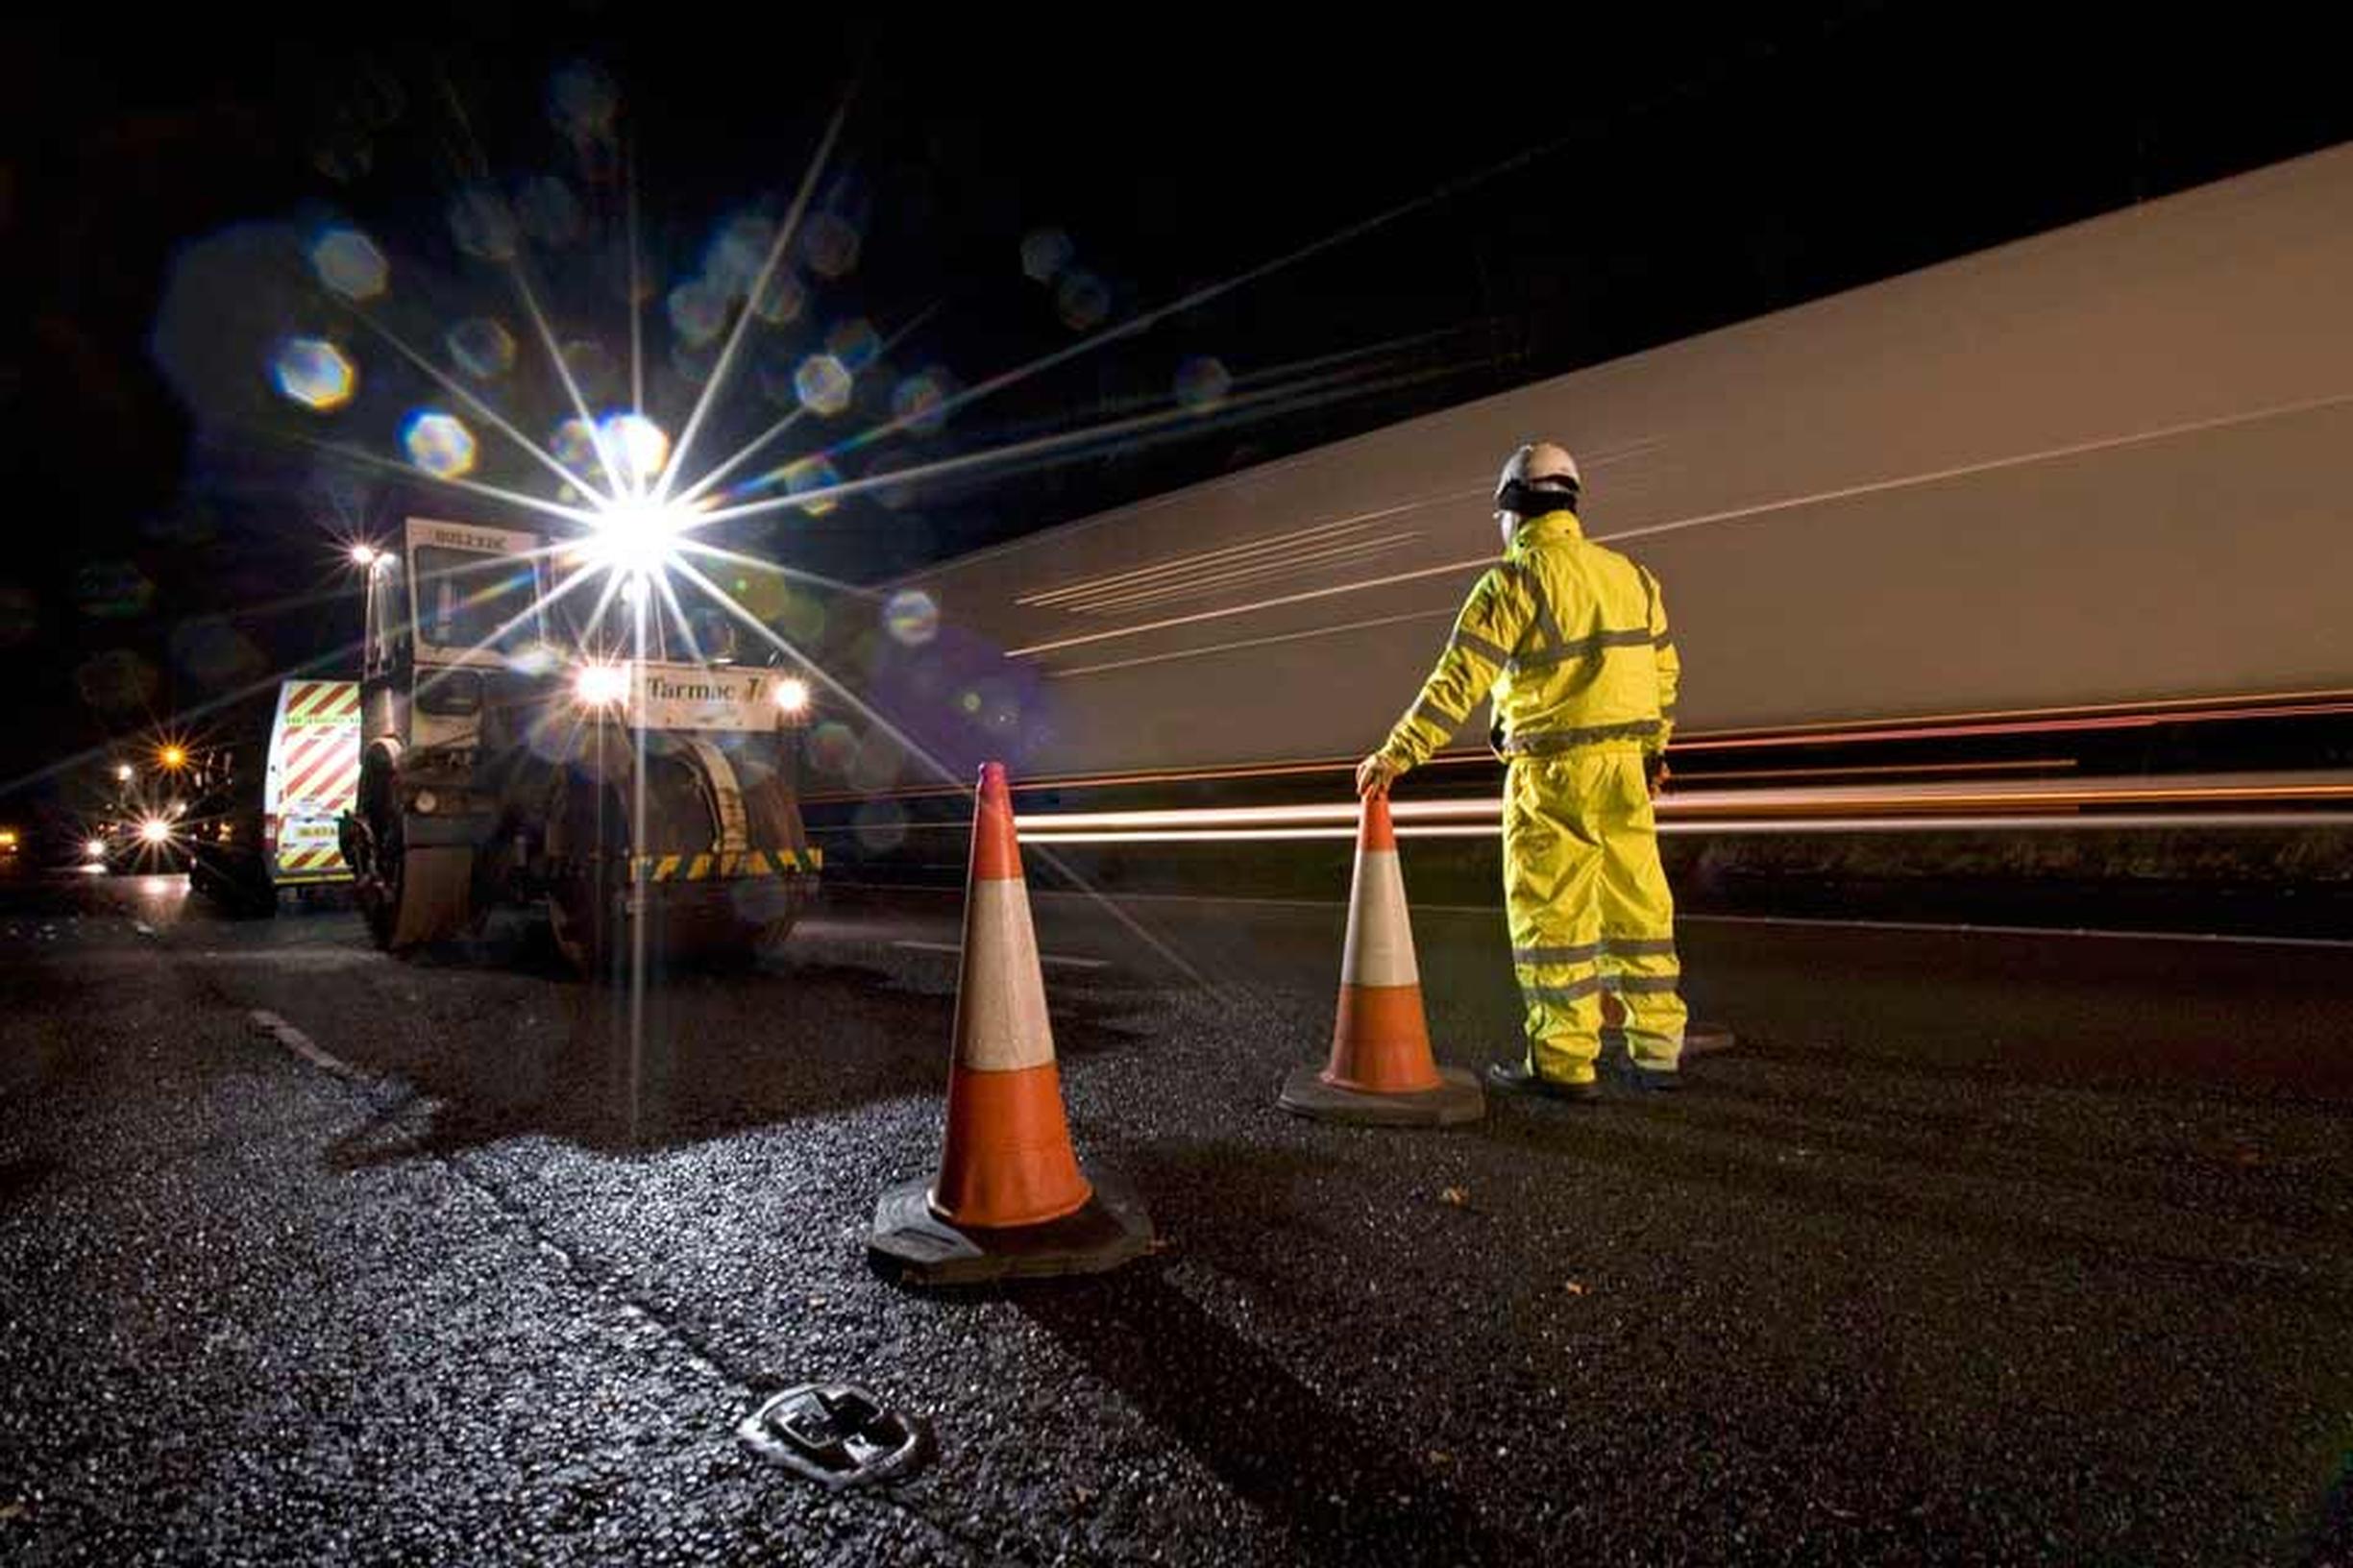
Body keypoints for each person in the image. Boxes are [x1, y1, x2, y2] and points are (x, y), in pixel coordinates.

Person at [1355, 441, 1687, 1101]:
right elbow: (1662, 676)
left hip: (1551, 776)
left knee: (1553, 922)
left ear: (1512, 509)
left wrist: (1396, 752)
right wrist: (1653, 751)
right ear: (1570, 503)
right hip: (1626, 770)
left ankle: (1563, 1064)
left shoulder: (1513, 582)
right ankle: (1657, 1052)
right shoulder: (1630, 576)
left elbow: (1456, 681)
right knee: (1637, 910)